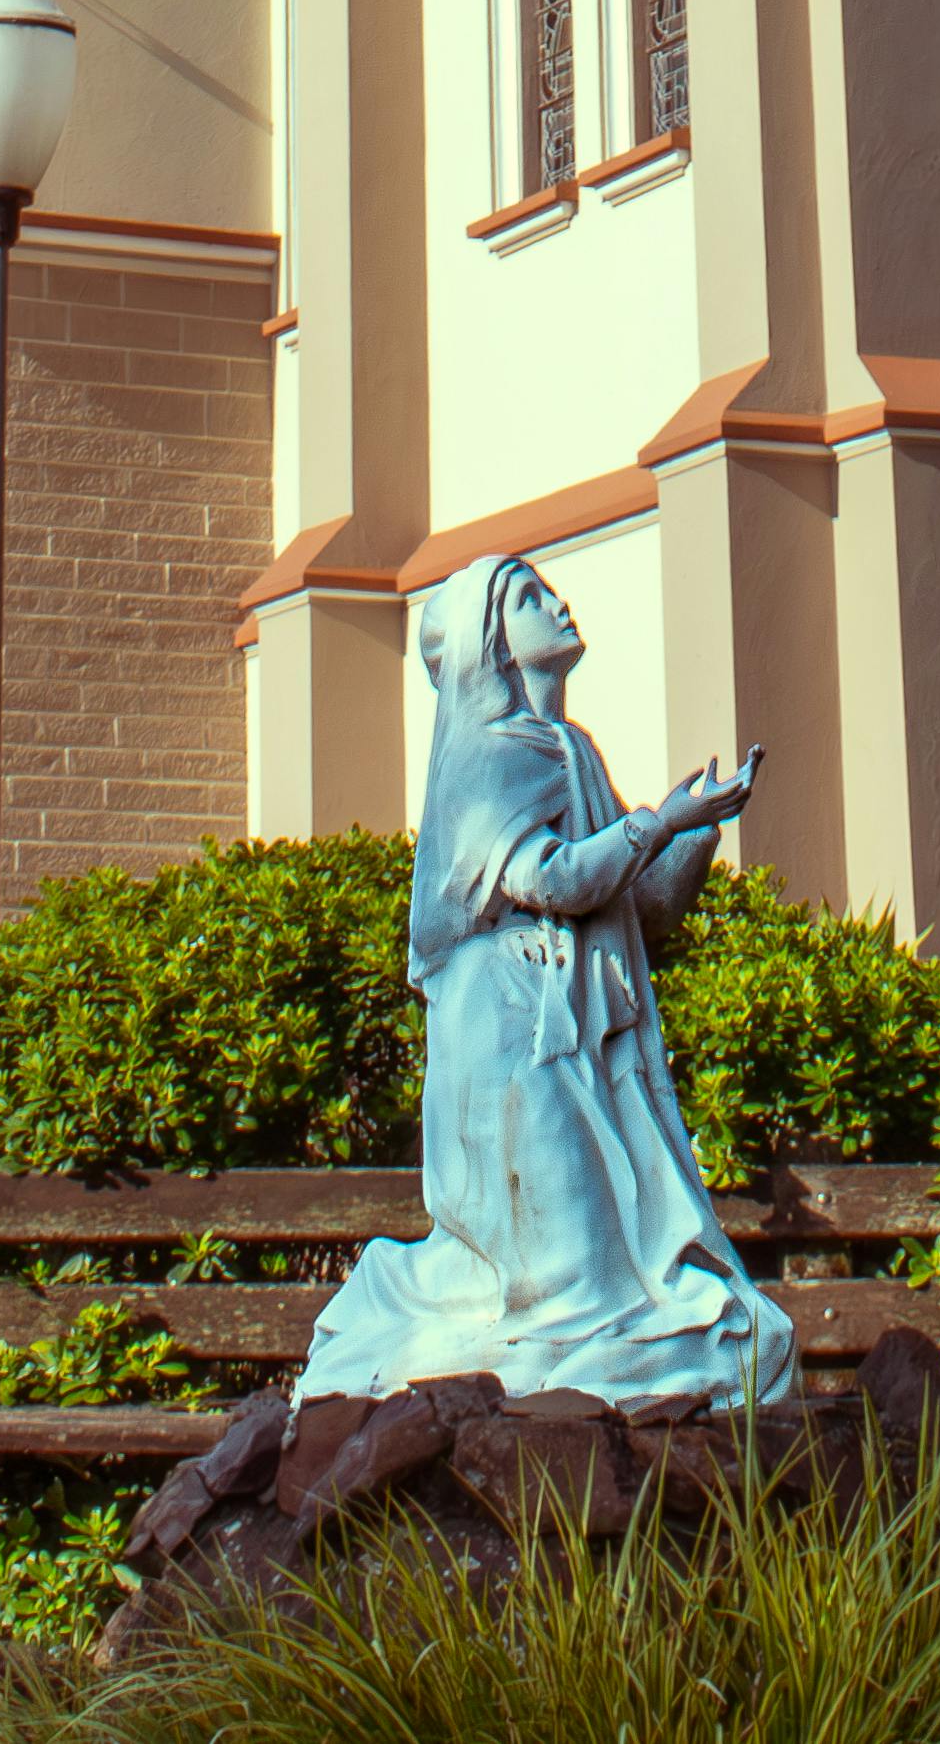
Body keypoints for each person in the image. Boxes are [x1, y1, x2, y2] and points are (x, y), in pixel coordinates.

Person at [294, 550, 794, 1408]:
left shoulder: (572, 750)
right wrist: (660, 819)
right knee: (564, 1269)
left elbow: (638, 909)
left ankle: (601, 1378)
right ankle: (540, 1392)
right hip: (508, 1031)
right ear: (494, 642)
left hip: (574, 1029)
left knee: (621, 1273)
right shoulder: (489, 754)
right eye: (529, 597)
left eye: (548, 589)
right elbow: (554, 880)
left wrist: (701, 830)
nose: (558, 603)